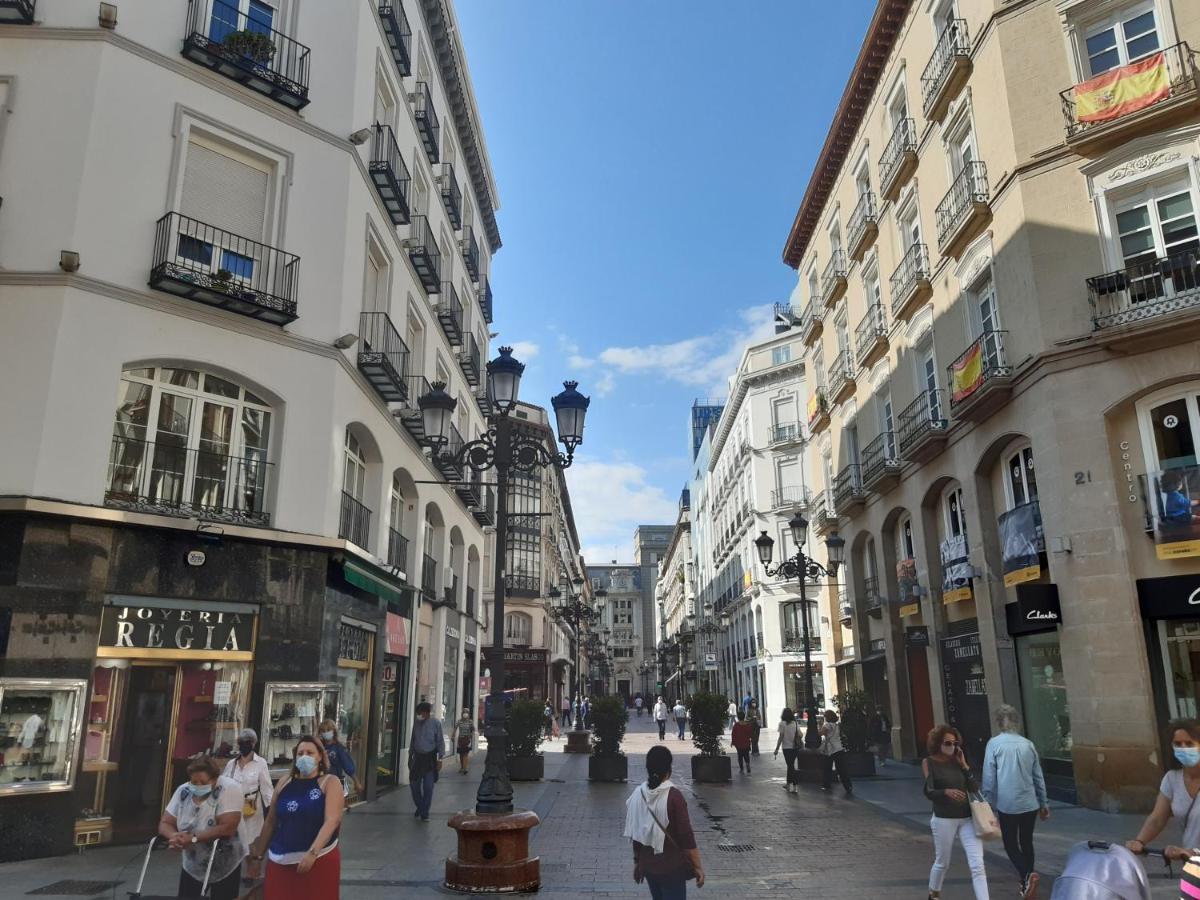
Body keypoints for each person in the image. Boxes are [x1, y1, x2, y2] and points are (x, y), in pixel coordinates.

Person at [247, 735, 343, 900]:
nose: (304, 757)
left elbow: (332, 820)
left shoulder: (330, 782)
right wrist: (258, 856)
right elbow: (271, 821)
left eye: (310, 753)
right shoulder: (285, 782)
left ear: (320, 756)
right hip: (280, 861)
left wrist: (313, 852)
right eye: (300, 753)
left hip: (317, 861)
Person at [982, 704, 1050, 899]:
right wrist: (1044, 803)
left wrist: (986, 806)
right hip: (1030, 803)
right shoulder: (1028, 744)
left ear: (999, 723)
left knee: (1010, 844)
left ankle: (1027, 876)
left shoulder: (994, 744)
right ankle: (1027, 884)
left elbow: (989, 779)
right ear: (1016, 722)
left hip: (1008, 804)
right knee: (1026, 842)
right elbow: (1038, 777)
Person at [159, 755, 245, 900]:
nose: (198, 786)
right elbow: (165, 822)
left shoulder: (229, 789)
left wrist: (192, 838)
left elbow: (228, 827)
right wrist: (175, 837)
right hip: (194, 862)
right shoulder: (184, 791)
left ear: (215, 779)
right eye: (194, 782)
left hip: (224, 859)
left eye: (203, 782)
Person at [624, 745, 705, 899]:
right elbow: (686, 835)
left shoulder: (638, 794)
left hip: (648, 866)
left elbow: (636, 833)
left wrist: (637, 862)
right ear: (668, 769)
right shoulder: (674, 796)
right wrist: (697, 866)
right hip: (672, 868)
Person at [924, 725, 988, 900]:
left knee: (977, 864)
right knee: (942, 862)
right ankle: (934, 893)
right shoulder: (929, 762)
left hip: (967, 818)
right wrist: (946, 792)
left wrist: (965, 765)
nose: (952, 746)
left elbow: (974, 788)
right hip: (944, 818)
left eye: (955, 743)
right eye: (947, 743)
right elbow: (929, 791)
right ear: (938, 743)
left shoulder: (958, 762)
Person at [1126, 719, 1200, 867]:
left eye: (1189, 743)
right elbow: (1157, 819)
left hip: (1193, 856)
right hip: (1193, 866)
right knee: (1190, 891)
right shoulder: (1172, 779)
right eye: (1178, 744)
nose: (1184, 748)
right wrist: (1139, 841)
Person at [222, 728, 274, 857]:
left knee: (250, 844)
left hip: (250, 809)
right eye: (241, 742)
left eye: (248, 742)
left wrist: (273, 809)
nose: (244, 744)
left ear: (253, 743)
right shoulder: (231, 764)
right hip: (232, 809)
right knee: (233, 843)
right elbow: (223, 785)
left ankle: (252, 872)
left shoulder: (260, 763)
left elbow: (267, 788)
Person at [408, 701, 447, 822]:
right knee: (414, 786)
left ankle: (425, 812)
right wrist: (410, 756)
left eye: (421, 713)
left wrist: (440, 759)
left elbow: (440, 741)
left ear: (427, 713)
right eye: (418, 713)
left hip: (430, 759)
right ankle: (421, 806)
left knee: (428, 786)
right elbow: (413, 740)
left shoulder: (436, 724)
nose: (420, 715)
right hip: (417, 758)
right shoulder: (416, 724)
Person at [318, 721, 362, 801]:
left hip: (335, 781)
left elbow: (347, 765)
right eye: (323, 731)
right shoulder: (319, 747)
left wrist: (356, 781)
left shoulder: (339, 748)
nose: (326, 732)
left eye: (328, 730)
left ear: (333, 731)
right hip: (320, 782)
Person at [819, 709, 852, 796]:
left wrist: (819, 725)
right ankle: (848, 786)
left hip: (830, 750)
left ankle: (826, 785)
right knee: (842, 769)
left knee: (827, 768)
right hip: (838, 748)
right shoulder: (837, 725)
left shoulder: (827, 725)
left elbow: (821, 733)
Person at [774, 708, 801, 794]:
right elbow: (801, 734)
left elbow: (781, 737)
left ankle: (794, 786)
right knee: (791, 765)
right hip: (795, 747)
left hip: (786, 748)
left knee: (791, 766)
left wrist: (777, 749)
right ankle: (788, 784)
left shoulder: (782, 724)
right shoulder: (795, 723)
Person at [451, 708, 475, 775]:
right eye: (464, 712)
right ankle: (462, 767)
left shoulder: (470, 721)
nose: (465, 713)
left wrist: (471, 735)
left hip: (467, 739)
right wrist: (453, 736)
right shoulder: (459, 721)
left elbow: (473, 729)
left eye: (466, 712)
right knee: (461, 754)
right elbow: (455, 728)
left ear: (468, 714)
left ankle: (465, 768)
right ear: (462, 713)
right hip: (460, 740)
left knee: (465, 754)